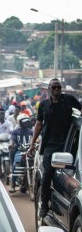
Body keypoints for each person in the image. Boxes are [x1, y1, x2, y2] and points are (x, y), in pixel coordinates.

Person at [29, 78, 81, 218]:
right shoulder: (44, 105)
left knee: (66, 177)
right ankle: (44, 204)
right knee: (47, 176)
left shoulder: (69, 100)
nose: (56, 90)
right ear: (49, 89)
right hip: (51, 145)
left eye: (58, 87)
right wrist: (33, 143)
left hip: (68, 143)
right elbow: (39, 124)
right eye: (54, 87)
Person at [9, 114, 33, 193]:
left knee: (34, 165)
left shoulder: (31, 131)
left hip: (30, 151)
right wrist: (11, 145)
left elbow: (35, 139)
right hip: (20, 151)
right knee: (16, 165)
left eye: (27, 122)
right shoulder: (15, 131)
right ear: (20, 122)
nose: (26, 123)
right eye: (24, 122)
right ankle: (13, 185)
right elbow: (12, 140)